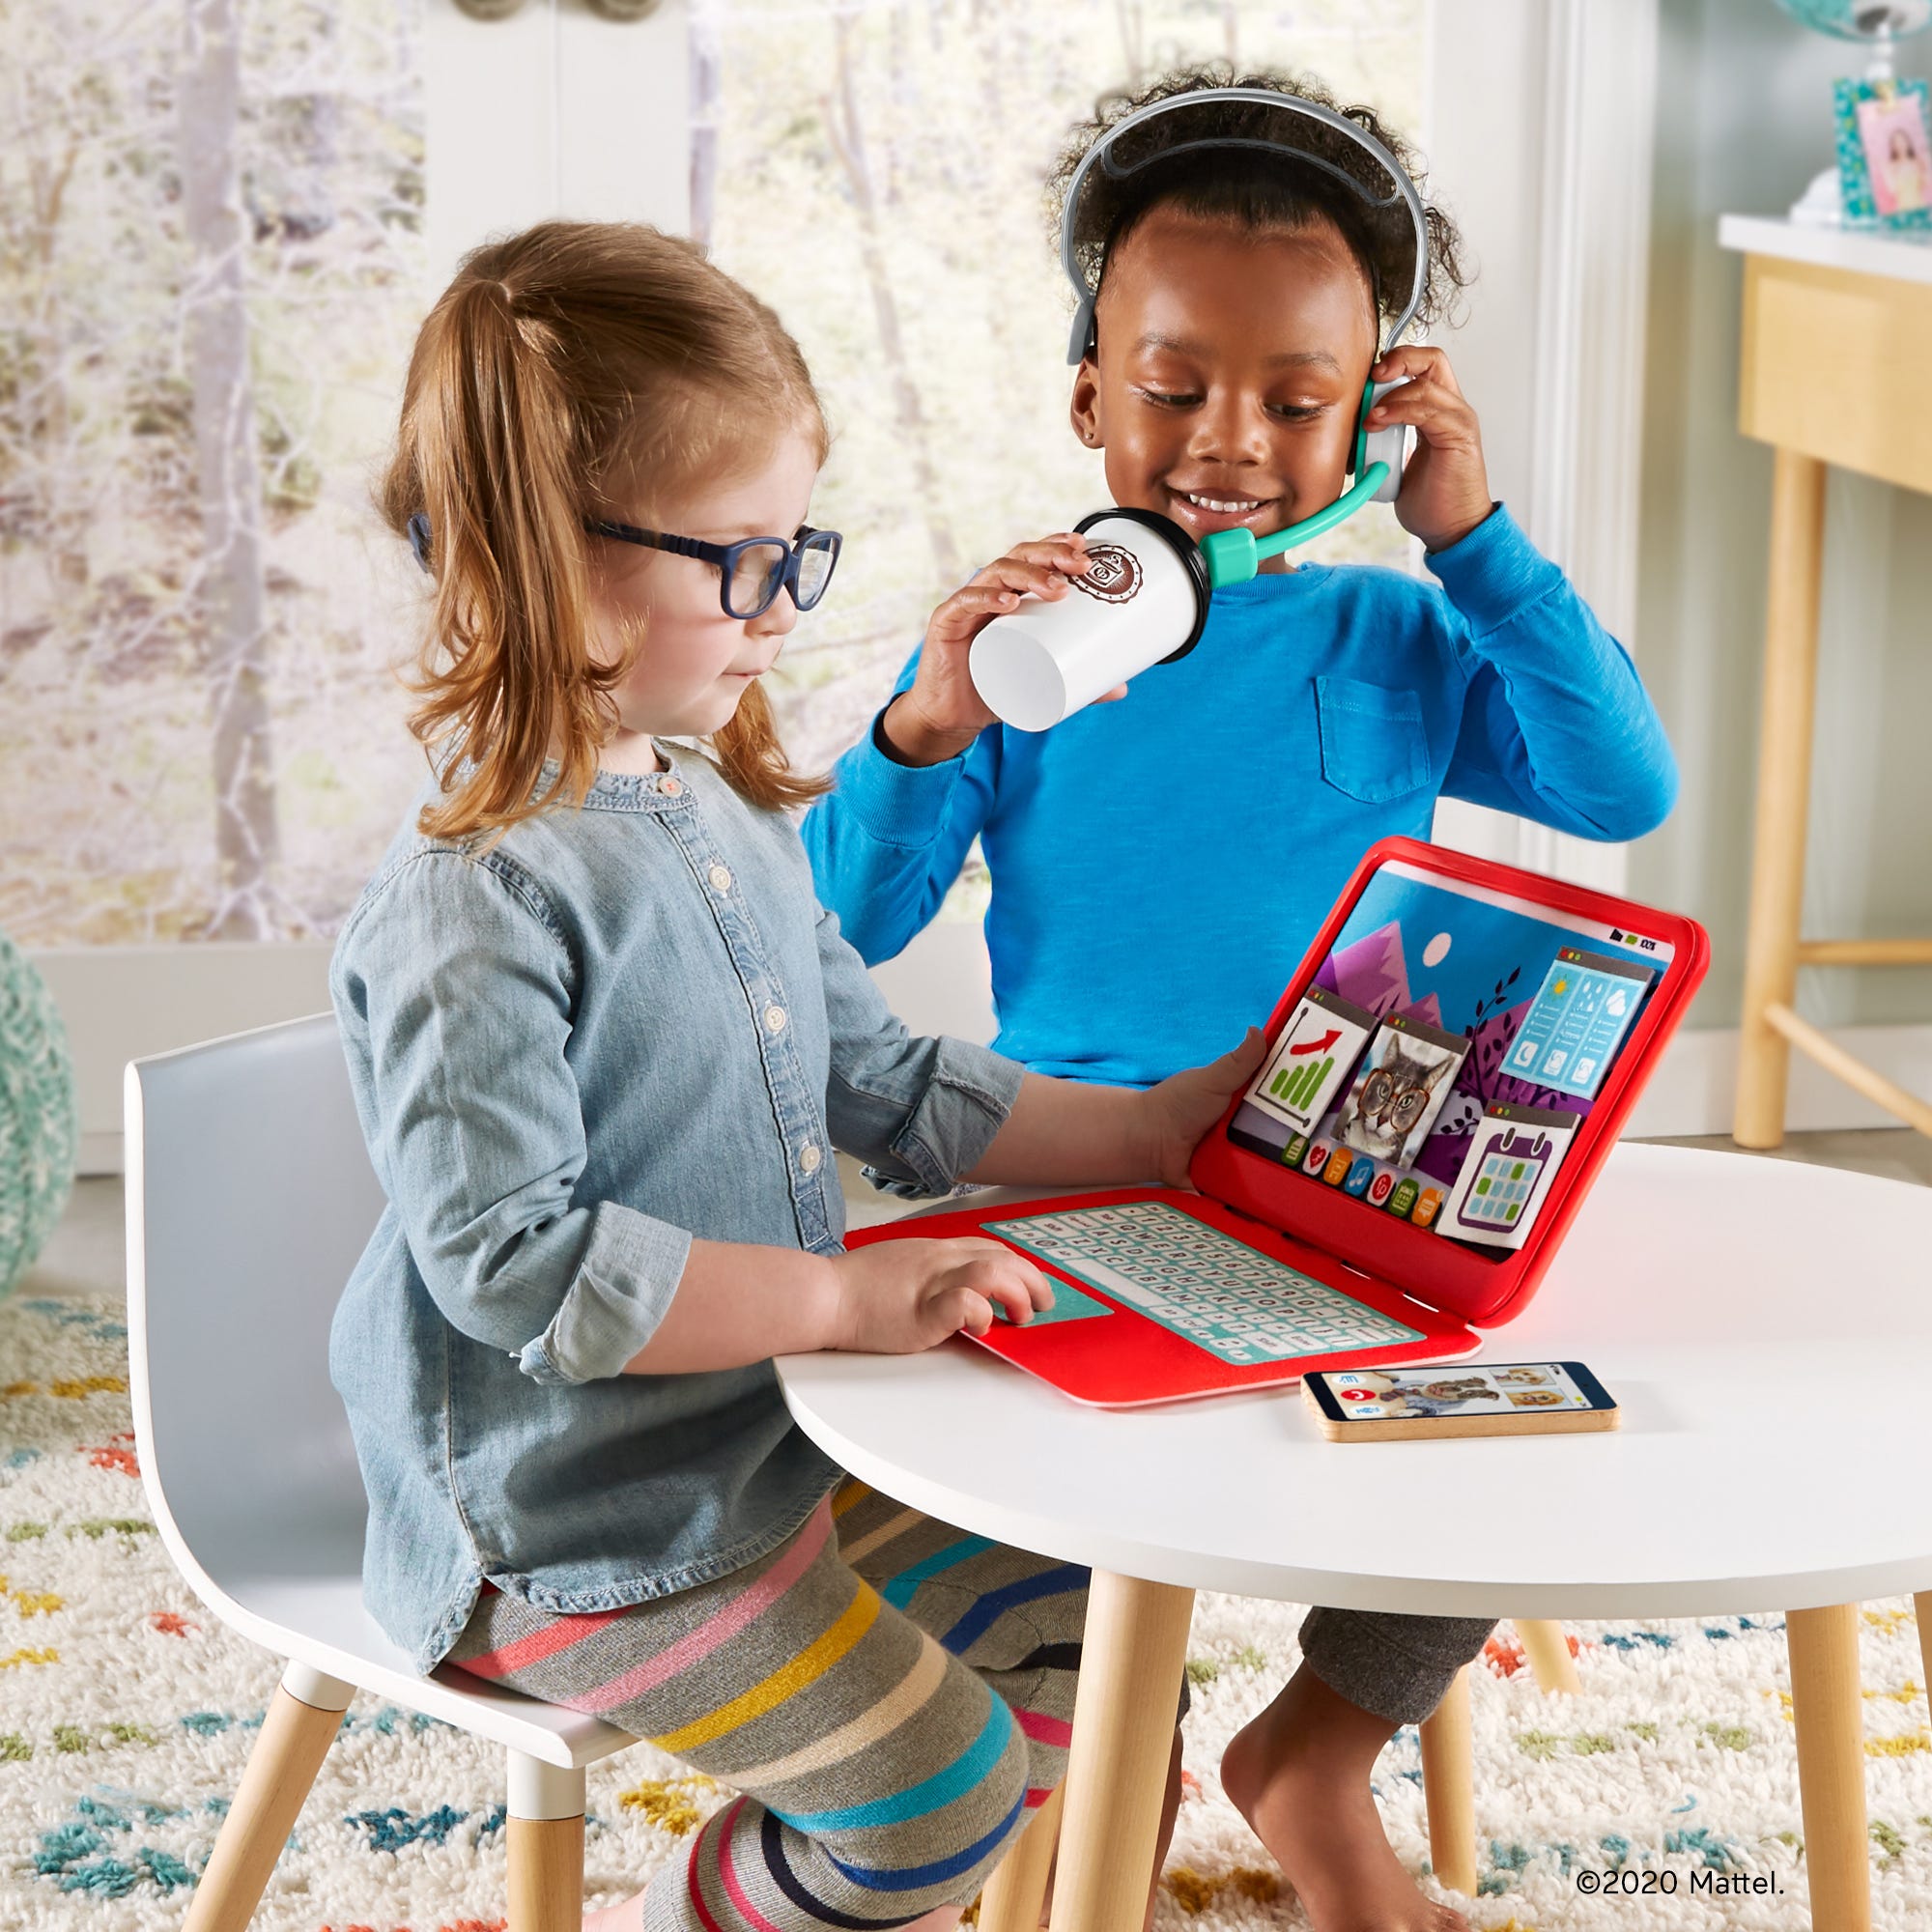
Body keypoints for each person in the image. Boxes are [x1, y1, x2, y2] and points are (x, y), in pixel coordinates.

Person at [802, 66, 1680, 1932]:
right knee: (1063, 1473)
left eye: (1297, 403)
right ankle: (1066, 1766)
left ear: (1372, 411)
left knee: (1517, 1408)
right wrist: (923, 719)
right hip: (1070, 1171)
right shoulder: (1023, 641)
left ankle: (1317, 1754)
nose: (1230, 441)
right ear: (1087, 399)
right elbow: (842, 926)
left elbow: (1619, 789)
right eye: (1174, 387)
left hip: (1342, 1178)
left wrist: (1476, 537)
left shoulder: (1400, 626)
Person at [330, 219, 1261, 1932]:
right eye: (739, 562)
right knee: (943, 1796)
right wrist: (842, 1302)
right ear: (550, 556)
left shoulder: (715, 805)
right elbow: (522, 1270)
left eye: (793, 552)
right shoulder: (479, 898)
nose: (778, 611)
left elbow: (884, 1075)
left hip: (776, 1442)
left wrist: (1149, 1127)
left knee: (1098, 1619)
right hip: (582, 1530)